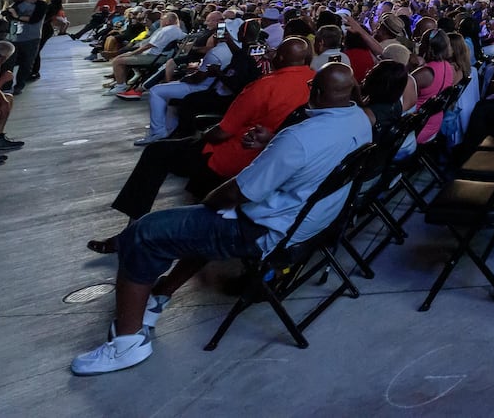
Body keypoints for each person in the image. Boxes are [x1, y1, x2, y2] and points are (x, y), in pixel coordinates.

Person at [71, 62, 371, 375]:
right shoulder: (359, 120)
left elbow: (236, 192)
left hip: (264, 231)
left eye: (311, 87)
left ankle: (127, 343)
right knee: (199, 225)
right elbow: (310, 161)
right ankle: (160, 295)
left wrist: (209, 201)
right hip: (313, 224)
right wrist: (272, 144)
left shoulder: (299, 137)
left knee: (146, 233)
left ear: (318, 92)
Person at [85, 37, 318, 253]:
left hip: (232, 159)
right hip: (275, 162)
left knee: (156, 152)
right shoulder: (317, 84)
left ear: (277, 58)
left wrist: (203, 134)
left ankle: (131, 231)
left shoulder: (264, 86)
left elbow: (221, 133)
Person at [104, 11, 187, 97]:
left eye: (162, 19)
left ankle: (120, 86)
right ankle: (122, 82)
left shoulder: (166, 30)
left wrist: (131, 53)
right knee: (121, 57)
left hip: (154, 57)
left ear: (168, 21)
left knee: (117, 61)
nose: (160, 21)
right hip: (160, 56)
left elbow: (148, 46)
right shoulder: (178, 31)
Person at [1, 0, 47, 92]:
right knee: (8, 63)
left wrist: (16, 16)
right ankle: (5, 86)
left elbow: (34, 19)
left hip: (31, 38)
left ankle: (20, 85)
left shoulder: (41, 5)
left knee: (26, 63)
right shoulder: (18, 4)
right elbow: (6, 15)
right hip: (13, 37)